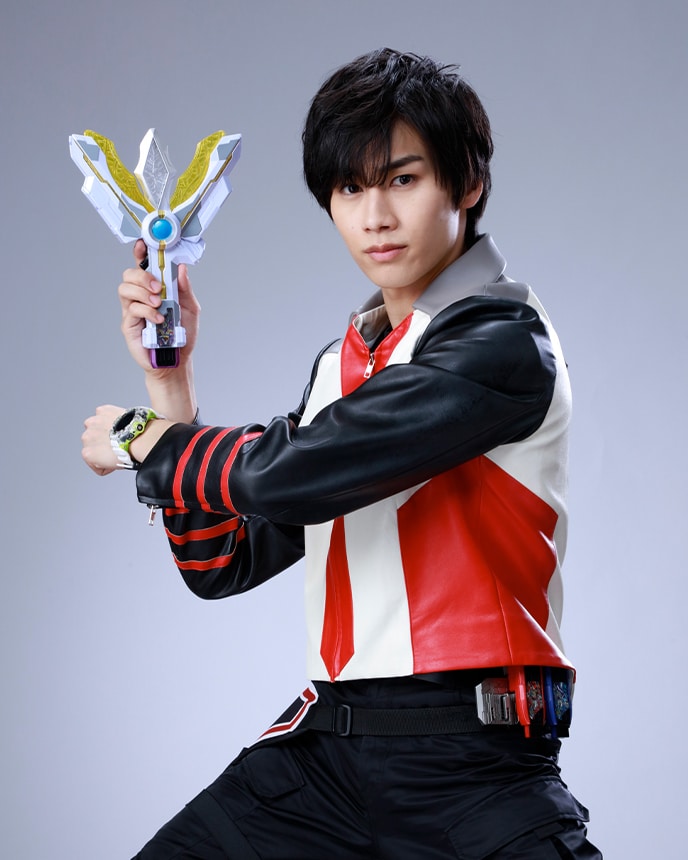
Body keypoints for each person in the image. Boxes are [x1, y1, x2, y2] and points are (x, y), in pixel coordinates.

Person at [82, 48, 602, 859]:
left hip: (473, 767)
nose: (375, 216)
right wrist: (170, 384)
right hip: (324, 759)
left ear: (467, 183)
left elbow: (293, 473)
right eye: (350, 189)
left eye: (403, 179)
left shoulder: (502, 339)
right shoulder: (345, 364)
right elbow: (224, 560)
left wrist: (142, 440)